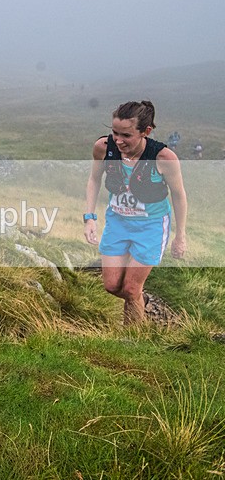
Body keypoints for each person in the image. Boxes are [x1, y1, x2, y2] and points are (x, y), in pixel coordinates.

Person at [84, 101, 187, 324]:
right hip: (117, 222)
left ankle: (133, 339)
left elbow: (179, 195)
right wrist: (89, 218)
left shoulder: (164, 158)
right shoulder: (103, 147)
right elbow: (93, 180)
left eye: (126, 135)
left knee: (131, 288)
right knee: (112, 285)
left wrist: (180, 236)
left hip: (151, 226)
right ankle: (142, 303)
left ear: (145, 132)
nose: (118, 140)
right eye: (115, 133)